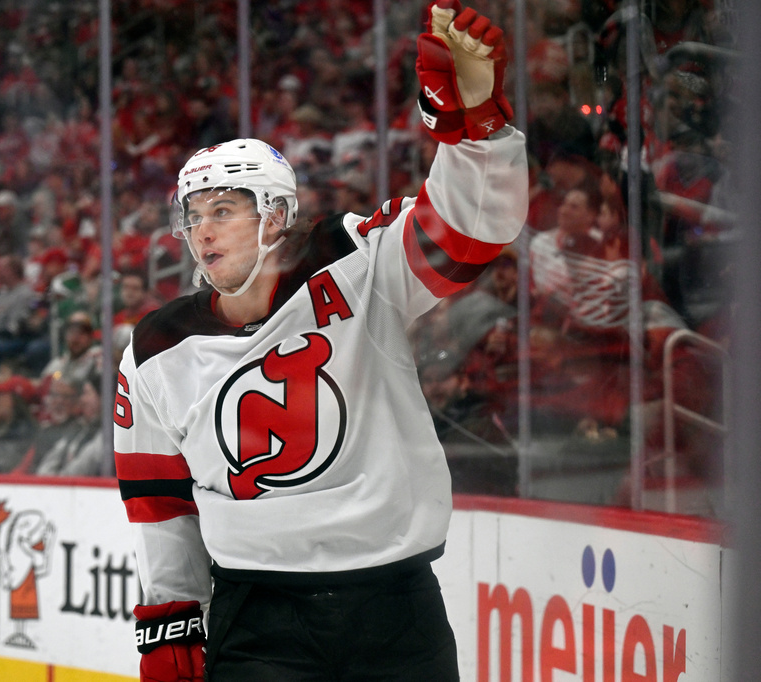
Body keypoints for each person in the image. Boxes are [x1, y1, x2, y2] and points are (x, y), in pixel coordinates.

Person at [112, 2, 527, 679]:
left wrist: (475, 125)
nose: (204, 231)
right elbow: (159, 504)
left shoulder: (357, 263)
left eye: (224, 210)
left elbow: (471, 234)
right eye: (195, 217)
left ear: (274, 213)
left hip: (397, 609)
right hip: (258, 618)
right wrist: (169, 626)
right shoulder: (157, 349)